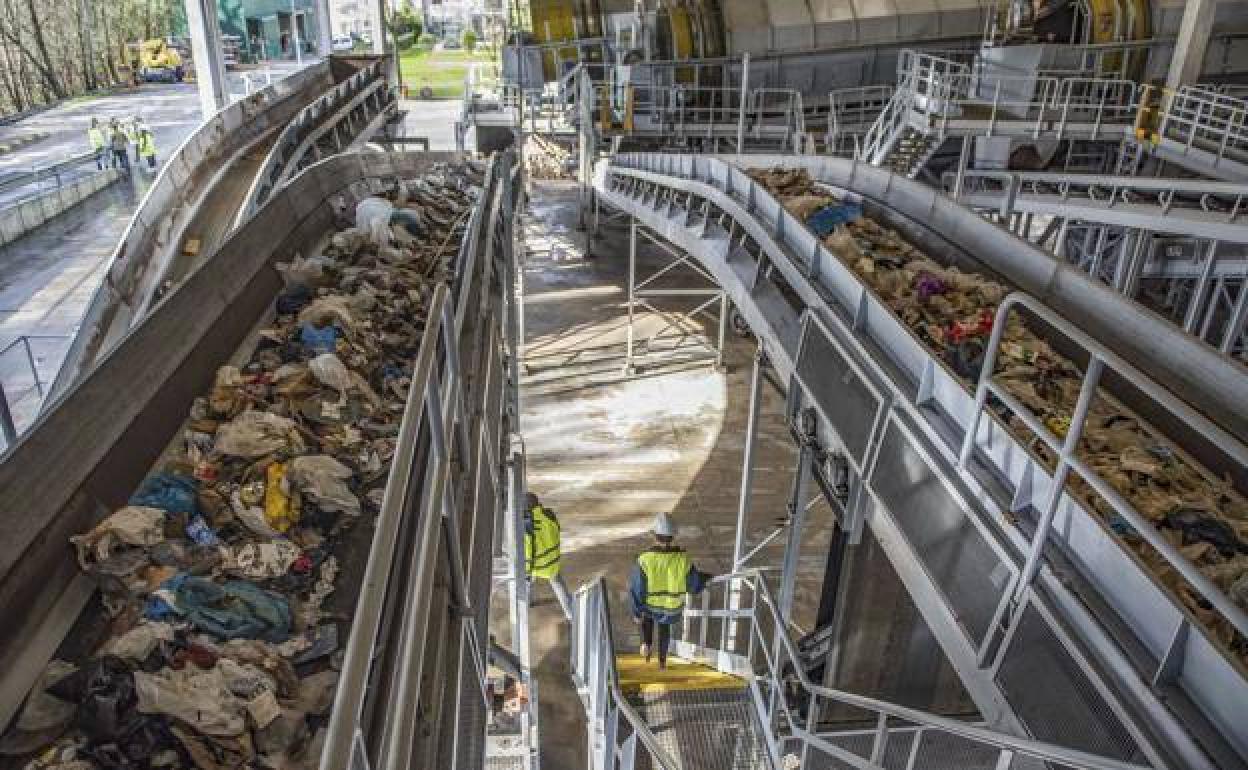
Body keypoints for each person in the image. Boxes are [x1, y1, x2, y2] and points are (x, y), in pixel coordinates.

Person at [629, 512, 710, 669]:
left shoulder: (645, 560)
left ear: (654, 535)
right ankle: (662, 663)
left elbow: (638, 589)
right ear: (673, 536)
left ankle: (646, 644)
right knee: (664, 629)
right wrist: (705, 578)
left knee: (647, 618)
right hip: (671, 607)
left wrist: (636, 612)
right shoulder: (683, 559)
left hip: (651, 604)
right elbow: (693, 585)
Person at [524, 492, 574, 621]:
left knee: (526, 582)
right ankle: (571, 614)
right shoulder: (549, 514)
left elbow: (528, 551)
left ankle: (526, 603)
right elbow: (557, 531)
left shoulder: (526, 526)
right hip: (552, 563)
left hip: (535, 567)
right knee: (558, 583)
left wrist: (527, 573)